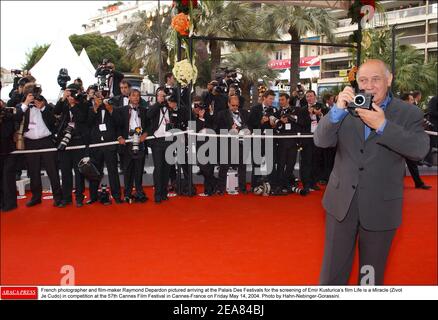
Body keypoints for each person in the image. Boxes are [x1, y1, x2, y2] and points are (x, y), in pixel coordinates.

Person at [314, 59, 429, 285]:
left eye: (376, 79)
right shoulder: (345, 108)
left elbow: (419, 150)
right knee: (331, 276)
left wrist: (383, 126)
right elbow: (321, 140)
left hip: (381, 206)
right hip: (341, 204)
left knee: (370, 278)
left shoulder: (408, 113)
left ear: (389, 79)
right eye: (363, 80)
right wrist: (336, 112)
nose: (369, 86)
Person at [19, 92, 64, 208]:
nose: (34, 100)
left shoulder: (46, 108)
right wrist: (26, 103)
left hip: (46, 141)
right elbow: (17, 117)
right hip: (30, 142)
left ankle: (58, 197)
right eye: (31, 97)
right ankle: (36, 197)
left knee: (52, 170)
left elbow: (54, 122)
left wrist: (42, 107)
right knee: (33, 171)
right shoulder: (23, 107)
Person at [54, 84, 89, 207]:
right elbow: (55, 111)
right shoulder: (64, 103)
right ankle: (66, 198)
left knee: (79, 170)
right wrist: (63, 99)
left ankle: (79, 197)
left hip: (78, 140)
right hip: (65, 140)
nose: (71, 96)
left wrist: (73, 105)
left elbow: (82, 118)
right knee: (65, 170)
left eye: (73, 93)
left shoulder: (84, 103)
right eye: (70, 93)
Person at [87, 92, 123, 205]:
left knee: (113, 171)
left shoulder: (113, 108)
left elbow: (119, 123)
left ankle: (117, 196)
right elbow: (88, 122)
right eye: (97, 98)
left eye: (102, 97)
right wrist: (95, 107)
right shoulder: (91, 109)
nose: (100, 100)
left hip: (110, 144)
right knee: (95, 172)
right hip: (96, 145)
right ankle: (93, 197)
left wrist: (110, 109)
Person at [116, 88, 149, 203]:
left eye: (138, 95)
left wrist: (145, 134)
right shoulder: (121, 110)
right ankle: (127, 194)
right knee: (127, 171)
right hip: (127, 144)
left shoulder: (144, 110)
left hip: (140, 143)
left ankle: (139, 192)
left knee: (139, 170)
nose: (136, 97)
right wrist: (119, 137)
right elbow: (117, 126)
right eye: (133, 95)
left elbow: (149, 125)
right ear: (129, 97)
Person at [272, 93, 309, 195]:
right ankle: (280, 185)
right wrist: (280, 121)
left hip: (293, 142)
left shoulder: (297, 110)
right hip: (281, 143)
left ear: (288, 100)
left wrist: (292, 117)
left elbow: (302, 122)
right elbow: (275, 127)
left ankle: (287, 184)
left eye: (282, 99)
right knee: (280, 165)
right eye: (279, 100)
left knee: (290, 165)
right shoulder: (278, 112)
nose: (280, 102)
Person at [215, 95, 249, 195]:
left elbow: (249, 125)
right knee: (224, 166)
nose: (235, 107)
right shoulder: (222, 114)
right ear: (228, 104)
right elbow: (216, 128)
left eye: (237, 105)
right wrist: (230, 128)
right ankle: (221, 188)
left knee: (242, 166)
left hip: (241, 143)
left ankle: (242, 188)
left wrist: (246, 130)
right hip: (227, 143)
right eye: (233, 105)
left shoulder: (244, 113)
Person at [400, 93, 431, 189]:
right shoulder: (398, 110)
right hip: (397, 139)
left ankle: (419, 183)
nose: (413, 101)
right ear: (405, 100)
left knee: (412, 162)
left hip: (407, 140)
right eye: (411, 99)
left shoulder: (410, 111)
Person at [147, 88, 173, 203]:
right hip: (157, 141)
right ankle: (157, 194)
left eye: (164, 95)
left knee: (167, 169)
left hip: (169, 140)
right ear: (156, 96)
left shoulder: (170, 108)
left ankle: (164, 193)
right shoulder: (154, 107)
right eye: (160, 95)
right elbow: (148, 115)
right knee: (158, 168)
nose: (162, 97)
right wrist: (159, 103)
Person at [248, 90, 277, 191]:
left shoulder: (274, 109)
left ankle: (272, 185)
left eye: (273, 99)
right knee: (256, 163)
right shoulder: (255, 109)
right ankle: (255, 185)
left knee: (271, 163)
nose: (272, 101)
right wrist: (261, 121)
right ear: (264, 98)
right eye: (270, 98)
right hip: (257, 139)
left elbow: (276, 126)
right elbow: (250, 124)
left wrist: (273, 125)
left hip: (269, 139)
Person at [299, 90, 327, 192]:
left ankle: (314, 182)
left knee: (316, 161)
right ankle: (306, 184)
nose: (309, 98)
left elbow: (328, 121)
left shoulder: (322, 107)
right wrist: (310, 116)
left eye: (311, 96)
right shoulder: (302, 110)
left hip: (319, 138)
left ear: (315, 96)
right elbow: (301, 124)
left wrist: (319, 115)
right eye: (307, 97)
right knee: (306, 161)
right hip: (307, 139)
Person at [0, 98, 21, 212]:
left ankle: (10, 203)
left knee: (7, 177)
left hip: (8, 151)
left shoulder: (8, 115)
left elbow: (7, 133)